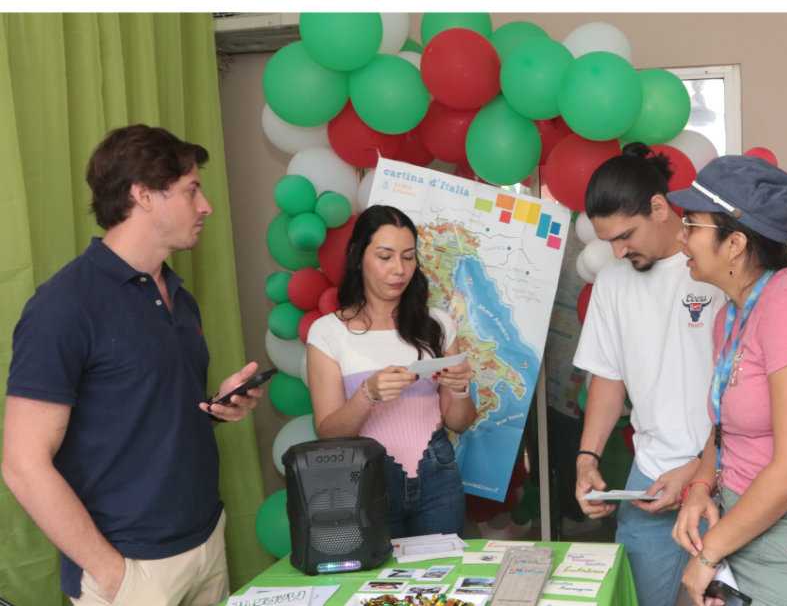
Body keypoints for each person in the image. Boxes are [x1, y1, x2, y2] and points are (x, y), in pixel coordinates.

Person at [2, 125, 264, 606]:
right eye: (190, 190)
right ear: (143, 195)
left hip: (206, 542)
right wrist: (115, 576)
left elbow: (144, 410)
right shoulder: (64, 306)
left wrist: (217, 405)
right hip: (130, 568)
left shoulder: (180, 298)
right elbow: (21, 463)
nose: (205, 205)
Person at [670, 156, 787, 606]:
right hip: (745, 528)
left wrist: (708, 556)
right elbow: (727, 428)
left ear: (734, 242)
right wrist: (701, 485)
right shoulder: (732, 314)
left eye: (691, 224)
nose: (681, 238)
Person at [574, 142, 724, 606]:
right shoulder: (612, 281)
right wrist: (587, 458)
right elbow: (608, 377)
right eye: (608, 241)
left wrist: (700, 470)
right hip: (649, 479)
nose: (618, 251)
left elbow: (746, 383)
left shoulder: (718, 265)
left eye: (625, 235)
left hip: (727, 473)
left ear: (660, 207)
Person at [306, 204, 475, 538]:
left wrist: (459, 389)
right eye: (385, 256)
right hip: (368, 479)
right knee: (376, 586)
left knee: (443, 580)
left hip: (438, 472)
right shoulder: (328, 333)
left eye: (409, 256)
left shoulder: (438, 324)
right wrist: (368, 393)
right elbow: (330, 433)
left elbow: (459, 422)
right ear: (357, 255)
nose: (399, 269)